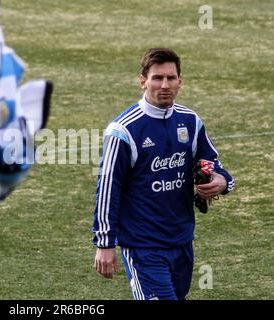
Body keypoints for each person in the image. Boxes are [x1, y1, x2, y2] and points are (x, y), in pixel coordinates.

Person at [92, 48, 235, 300]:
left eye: (171, 78)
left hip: (181, 241)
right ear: (143, 81)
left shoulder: (190, 121)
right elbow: (108, 188)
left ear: (180, 81)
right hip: (143, 246)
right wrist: (105, 243)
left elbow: (211, 162)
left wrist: (222, 181)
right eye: (157, 78)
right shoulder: (123, 130)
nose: (164, 84)